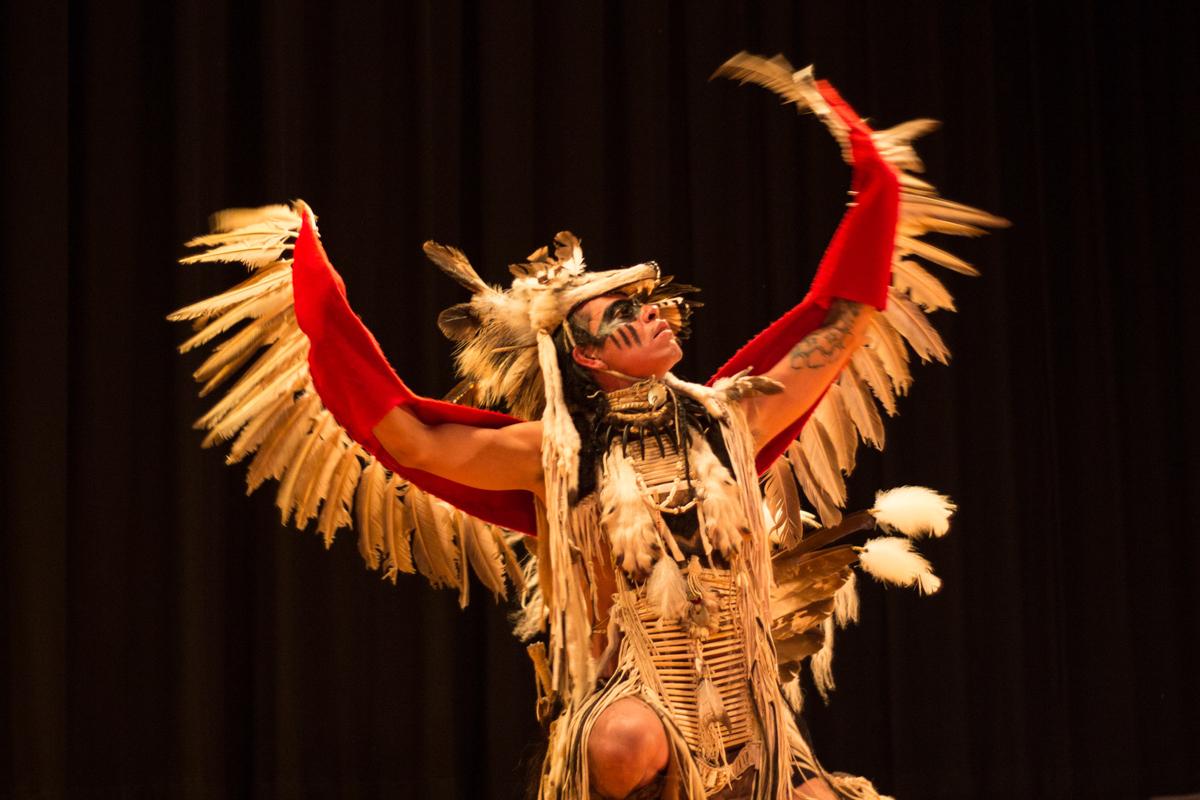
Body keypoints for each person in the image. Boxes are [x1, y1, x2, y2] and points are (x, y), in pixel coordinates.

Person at [171, 53, 1005, 799]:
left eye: (652, 300)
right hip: (637, 696)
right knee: (622, 746)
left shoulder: (734, 416)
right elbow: (408, 437)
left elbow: (842, 320)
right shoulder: (554, 455)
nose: (656, 312)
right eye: (626, 312)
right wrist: (319, 298)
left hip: (751, 712)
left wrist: (876, 187)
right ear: (588, 356)